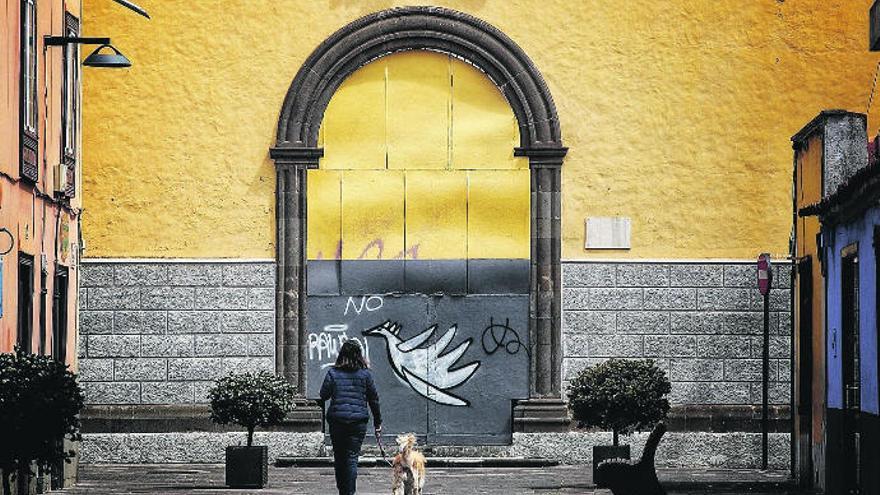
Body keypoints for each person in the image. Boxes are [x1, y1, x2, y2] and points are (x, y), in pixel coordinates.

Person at [320, 340, 382, 495]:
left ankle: (343, 492)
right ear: (359, 355)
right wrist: (377, 422)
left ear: (341, 354)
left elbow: (323, 395)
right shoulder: (365, 374)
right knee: (352, 458)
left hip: (337, 421)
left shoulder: (333, 373)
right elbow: (373, 399)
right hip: (357, 422)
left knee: (339, 458)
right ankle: (350, 492)